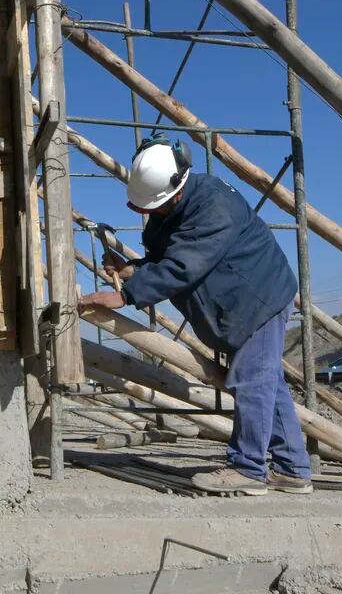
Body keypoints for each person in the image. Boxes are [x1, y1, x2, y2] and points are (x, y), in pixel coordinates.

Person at [79, 134, 312, 496]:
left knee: (252, 382)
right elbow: (168, 259)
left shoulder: (214, 205)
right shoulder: (171, 209)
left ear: (178, 188)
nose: (150, 213)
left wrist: (127, 295)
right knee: (268, 384)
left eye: (155, 206)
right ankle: (293, 469)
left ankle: (248, 468)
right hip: (237, 304)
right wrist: (133, 270)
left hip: (258, 299)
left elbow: (184, 265)